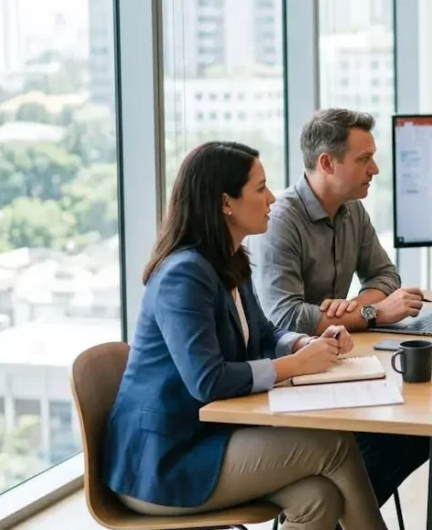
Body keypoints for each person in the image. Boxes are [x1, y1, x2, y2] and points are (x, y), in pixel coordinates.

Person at [102, 142, 386, 530]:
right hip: (163, 462)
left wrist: (303, 344)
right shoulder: (183, 275)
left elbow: (265, 335)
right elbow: (208, 380)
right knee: (334, 444)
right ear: (225, 204)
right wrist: (292, 365)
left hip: (208, 439)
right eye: (260, 188)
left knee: (319, 498)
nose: (271, 198)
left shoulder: (231, 260)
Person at [248, 109, 429, 508]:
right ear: (327, 163)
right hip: (286, 383)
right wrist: (373, 314)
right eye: (364, 159)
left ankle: (336, 516)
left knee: (420, 435)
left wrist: (352, 307)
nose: (375, 169)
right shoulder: (279, 221)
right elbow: (285, 318)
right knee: (407, 436)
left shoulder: (352, 211)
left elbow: (385, 276)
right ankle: (335, 515)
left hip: (335, 366)